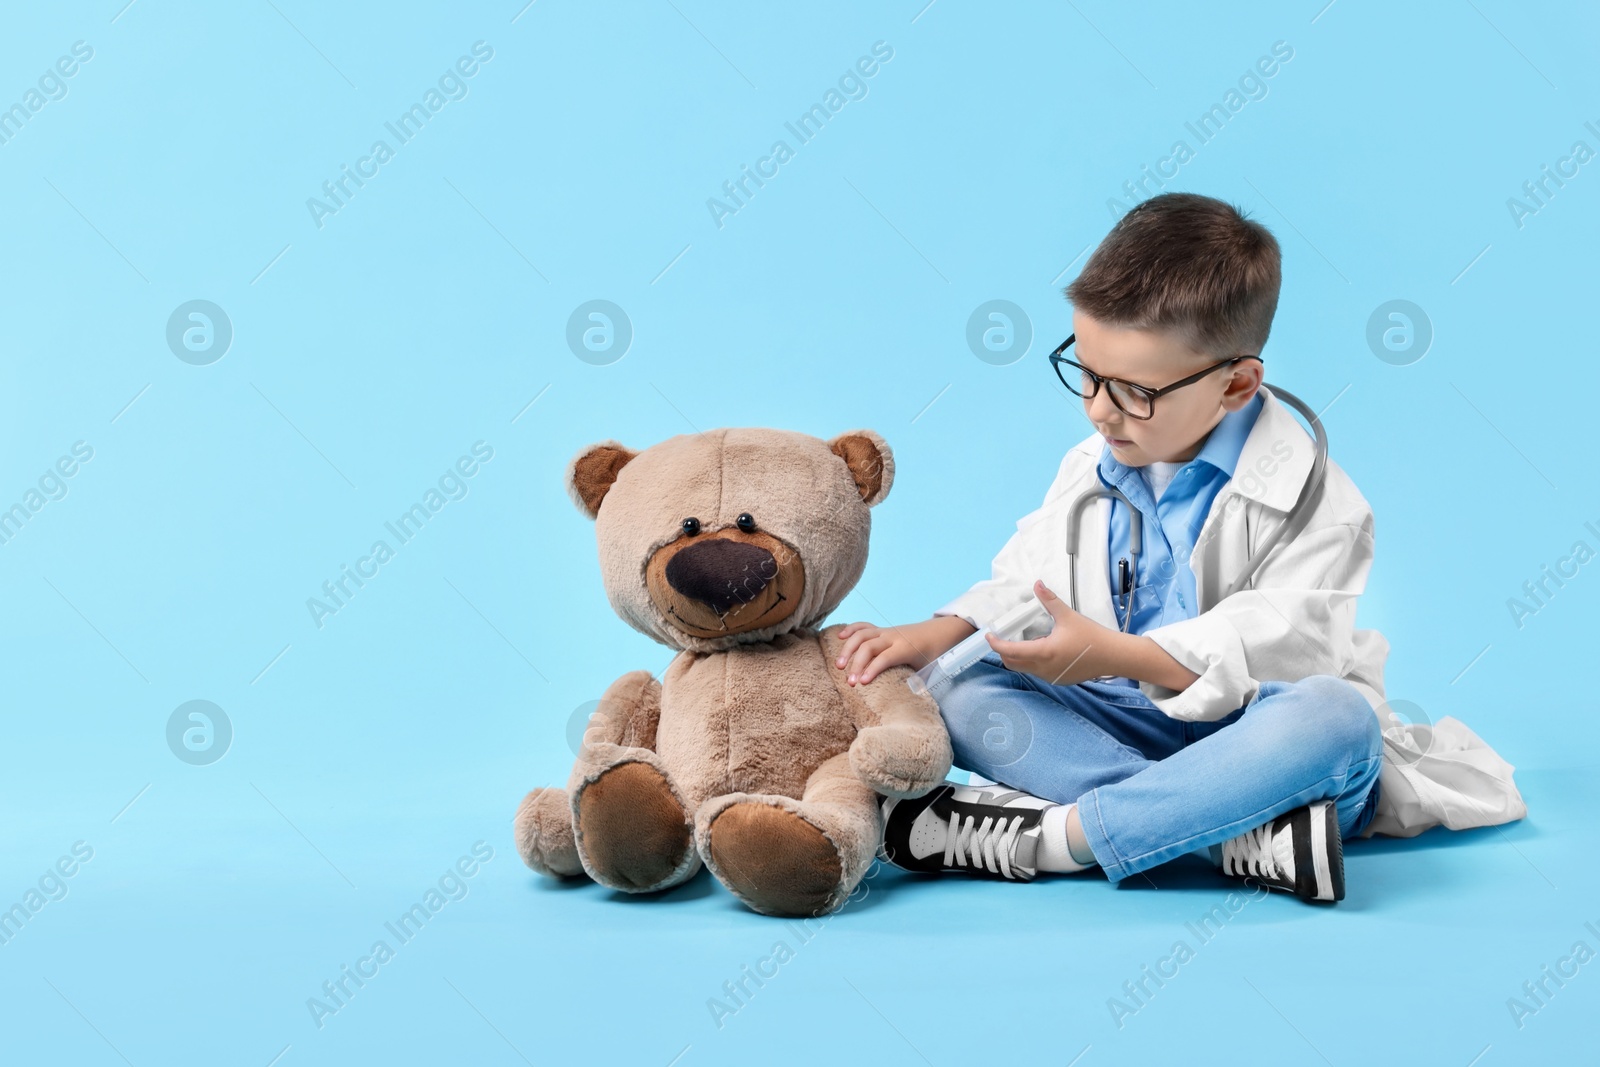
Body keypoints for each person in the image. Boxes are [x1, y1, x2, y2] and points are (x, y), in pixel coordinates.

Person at [834, 192, 1389, 902]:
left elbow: (1290, 650)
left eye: (1133, 390)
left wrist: (1113, 654)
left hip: (1260, 749)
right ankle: (1226, 833)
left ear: (1237, 382)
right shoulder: (1094, 460)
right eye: (1087, 373)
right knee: (949, 683)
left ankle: (1054, 840)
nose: (1098, 408)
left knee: (1338, 719)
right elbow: (1029, 580)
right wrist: (938, 633)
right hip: (1122, 732)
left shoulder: (1318, 500)